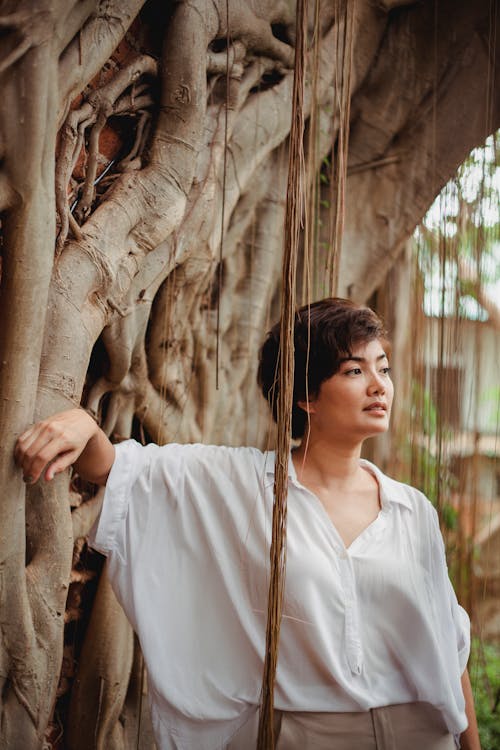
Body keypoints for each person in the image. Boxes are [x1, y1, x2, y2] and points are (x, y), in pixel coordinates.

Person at [15, 298, 480, 750]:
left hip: (425, 734)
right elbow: (120, 470)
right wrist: (82, 423)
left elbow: (450, 646)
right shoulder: (247, 486)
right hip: (307, 737)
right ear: (305, 397)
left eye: (383, 368)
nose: (379, 385)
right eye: (354, 371)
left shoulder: (412, 510)